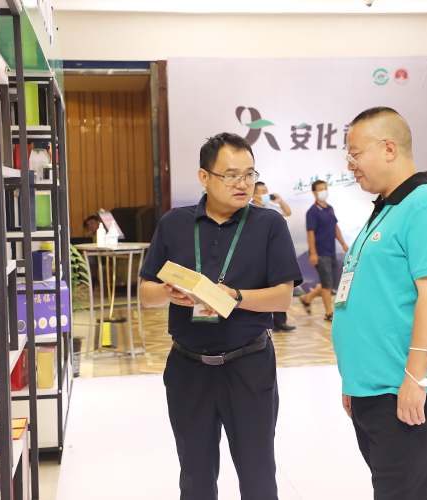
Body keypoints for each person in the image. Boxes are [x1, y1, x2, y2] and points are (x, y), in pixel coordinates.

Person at [138, 132, 303, 500]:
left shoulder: (269, 225)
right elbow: (146, 293)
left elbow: (283, 298)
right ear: (204, 176)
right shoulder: (174, 223)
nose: (242, 184)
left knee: (258, 475)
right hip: (187, 368)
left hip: (249, 366)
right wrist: (167, 293)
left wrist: (235, 297)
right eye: (230, 175)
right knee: (194, 477)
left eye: (249, 174)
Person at [333, 107, 427, 500]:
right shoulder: (387, 207)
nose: (350, 165)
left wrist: (415, 379)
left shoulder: (424, 207)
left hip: (401, 386)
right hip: (372, 386)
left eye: (355, 154)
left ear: (389, 149)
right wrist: (354, 380)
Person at [299, 180, 349, 322]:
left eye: (325, 189)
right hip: (320, 252)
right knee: (327, 285)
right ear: (314, 193)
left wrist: (343, 244)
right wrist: (313, 253)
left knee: (329, 283)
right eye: (321, 189)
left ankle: (307, 297)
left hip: (331, 250)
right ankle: (328, 313)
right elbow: (310, 233)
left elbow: (335, 227)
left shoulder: (330, 208)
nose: (324, 192)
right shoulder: (312, 211)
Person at [252, 181, 296, 331]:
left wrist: (280, 201)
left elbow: (288, 212)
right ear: (254, 195)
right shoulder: (248, 210)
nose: (266, 194)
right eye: (263, 191)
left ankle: (280, 322)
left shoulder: (270, 209)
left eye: (267, 191)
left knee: (279, 286)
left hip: (273, 254)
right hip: (256, 255)